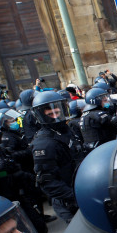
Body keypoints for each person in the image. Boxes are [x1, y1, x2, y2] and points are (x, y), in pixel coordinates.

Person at [30, 91, 84, 223]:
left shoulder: (66, 130)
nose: (55, 116)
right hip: (70, 200)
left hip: (82, 188)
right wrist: (75, 197)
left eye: (57, 111)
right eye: (50, 114)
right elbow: (48, 182)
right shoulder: (44, 143)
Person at [80, 87, 117, 151]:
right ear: (97, 102)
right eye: (105, 100)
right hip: (103, 148)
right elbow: (115, 121)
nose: (107, 102)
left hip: (93, 149)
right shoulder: (97, 114)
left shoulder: (86, 114)